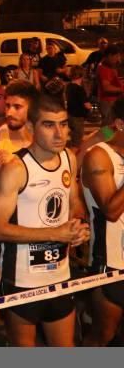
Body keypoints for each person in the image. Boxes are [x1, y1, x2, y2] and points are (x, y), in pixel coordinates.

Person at [0, 93, 89, 347]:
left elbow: (74, 202)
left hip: (60, 275)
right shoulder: (16, 168)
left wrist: (78, 226)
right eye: (49, 125)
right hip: (23, 281)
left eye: (63, 124)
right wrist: (54, 234)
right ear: (32, 127)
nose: (59, 133)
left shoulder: (69, 158)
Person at [81, 104, 124, 346]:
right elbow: (110, 210)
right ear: (119, 124)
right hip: (109, 263)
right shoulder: (99, 155)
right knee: (102, 336)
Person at [0, 80, 38, 166]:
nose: (9, 113)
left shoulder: (43, 140)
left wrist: (15, 163)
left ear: (31, 109)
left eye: (17, 107)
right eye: (7, 106)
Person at [66, 66, 91, 149]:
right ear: (81, 75)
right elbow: (86, 104)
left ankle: (72, 150)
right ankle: (75, 156)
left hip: (70, 115)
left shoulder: (69, 86)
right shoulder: (80, 89)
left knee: (73, 136)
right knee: (78, 139)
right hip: (78, 117)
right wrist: (91, 108)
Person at [97, 46, 123, 124]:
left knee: (113, 124)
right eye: (116, 56)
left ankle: (109, 136)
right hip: (108, 101)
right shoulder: (103, 68)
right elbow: (106, 87)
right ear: (110, 55)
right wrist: (122, 89)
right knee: (108, 125)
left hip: (112, 100)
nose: (118, 59)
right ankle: (105, 136)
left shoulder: (109, 66)